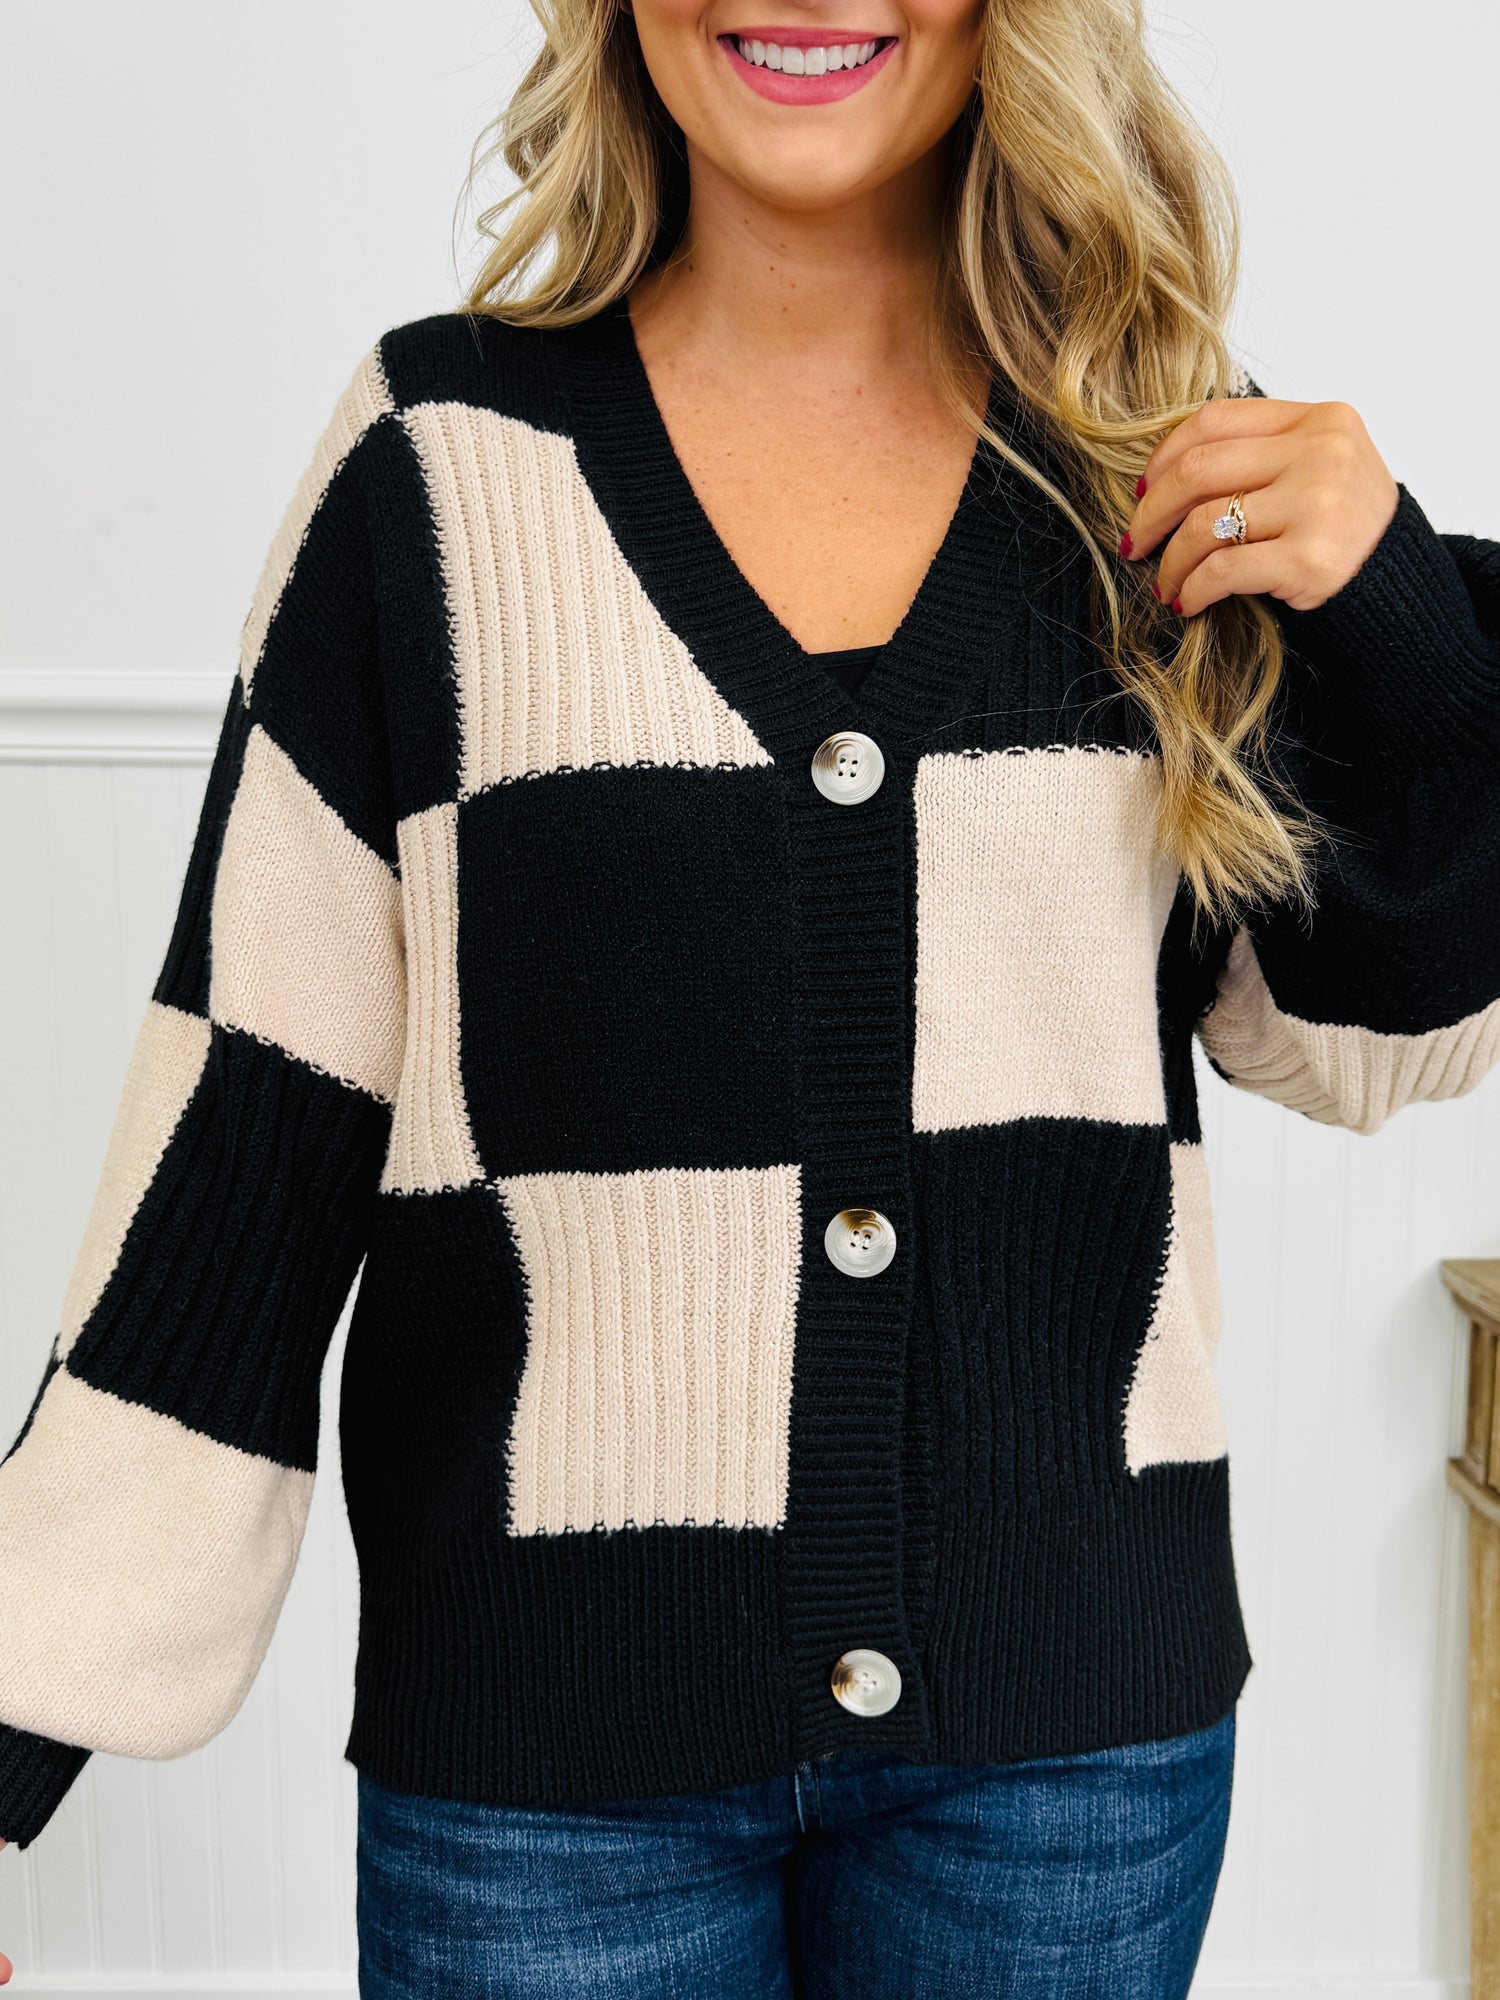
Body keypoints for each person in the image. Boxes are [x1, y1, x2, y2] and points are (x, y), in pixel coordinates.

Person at [1, 0, 1497, 1991]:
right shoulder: (438, 460)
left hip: (1064, 1760)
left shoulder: (1153, 460)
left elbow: (1372, 1043)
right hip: (545, 1776)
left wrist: (1402, 619)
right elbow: (253, 1124)